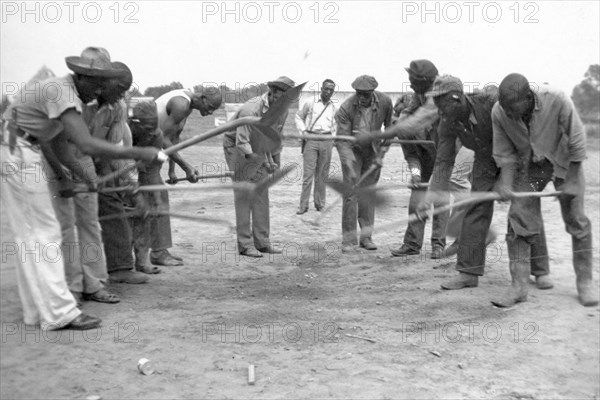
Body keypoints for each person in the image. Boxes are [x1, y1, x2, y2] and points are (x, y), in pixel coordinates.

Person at [0, 47, 162, 330]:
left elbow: (61, 143)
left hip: (21, 146)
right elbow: (85, 144)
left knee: (32, 234)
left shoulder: (68, 93)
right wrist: (142, 152)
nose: (99, 92)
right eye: (97, 84)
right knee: (44, 232)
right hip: (16, 147)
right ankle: (60, 312)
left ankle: (40, 311)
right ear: (82, 78)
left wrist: (81, 176)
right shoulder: (62, 92)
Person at [419, 75, 551, 292]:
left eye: (441, 102)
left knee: (525, 208)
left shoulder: (490, 103)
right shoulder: (448, 122)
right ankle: (468, 273)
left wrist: (506, 179)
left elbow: (522, 133)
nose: (438, 108)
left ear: (456, 98)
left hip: (517, 157)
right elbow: (444, 160)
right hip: (485, 161)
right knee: (476, 210)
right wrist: (430, 198)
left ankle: (540, 270)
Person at [491, 73, 596, 307]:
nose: (507, 112)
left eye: (512, 107)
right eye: (504, 107)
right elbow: (504, 152)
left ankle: (585, 283)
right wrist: (506, 182)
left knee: (576, 220)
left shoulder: (556, 98)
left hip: (564, 161)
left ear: (528, 97)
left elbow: (577, 136)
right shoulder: (499, 111)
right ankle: (518, 286)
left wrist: (572, 180)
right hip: (531, 167)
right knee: (518, 220)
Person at [223, 76, 294, 257]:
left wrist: (275, 162)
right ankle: (245, 244)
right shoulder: (251, 108)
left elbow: (275, 136)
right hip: (238, 145)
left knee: (261, 191)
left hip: (259, 145)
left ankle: (262, 242)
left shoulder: (282, 109)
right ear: (272, 92)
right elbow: (242, 141)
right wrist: (254, 161)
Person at [151, 87, 223, 266]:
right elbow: (162, 139)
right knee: (157, 199)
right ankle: (157, 253)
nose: (211, 112)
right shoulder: (181, 104)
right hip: (141, 151)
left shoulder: (188, 106)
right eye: (211, 106)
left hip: (152, 152)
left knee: (157, 199)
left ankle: (158, 251)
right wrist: (187, 167)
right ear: (202, 98)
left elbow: (173, 139)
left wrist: (172, 170)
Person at [389, 60, 450, 259]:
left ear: (426, 81)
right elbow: (411, 155)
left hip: (445, 152)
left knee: (439, 198)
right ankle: (412, 244)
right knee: (417, 197)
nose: (411, 85)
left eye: (413, 81)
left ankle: (438, 245)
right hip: (424, 156)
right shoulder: (418, 96)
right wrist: (416, 174)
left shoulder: (442, 94)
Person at [335, 75, 393, 252]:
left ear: (372, 93)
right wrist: (350, 166)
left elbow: (390, 129)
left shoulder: (385, 102)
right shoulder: (346, 108)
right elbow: (342, 141)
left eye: (365, 94)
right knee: (351, 193)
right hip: (353, 151)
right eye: (358, 93)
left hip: (373, 151)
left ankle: (366, 238)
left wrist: (381, 154)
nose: (361, 97)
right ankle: (349, 240)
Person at [128, 100, 169, 274]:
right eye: (147, 128)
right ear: (135, 123)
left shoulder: (157, 135)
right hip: (119, 171)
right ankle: (120, 263)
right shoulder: (125, 131)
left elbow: (152, 170)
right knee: (123, 220)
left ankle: (142, 261)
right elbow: (122, 164)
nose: (151, 132)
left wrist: (157, 200)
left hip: (141, 173)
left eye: (154, 128)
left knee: (145, 216)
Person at [295, 79, 337, 214]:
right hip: (311, 139)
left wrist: (333, 138)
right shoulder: (310, 101)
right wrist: (304, 132)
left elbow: (337, 124)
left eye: (331, 90)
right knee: (308, 175)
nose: (328, 92)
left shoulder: (334, 106)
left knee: (322, 174)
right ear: (321, 89)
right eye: (326, 89)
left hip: (327, 139)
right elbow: (298, 116)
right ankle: (303, 205)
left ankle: (320, 204)